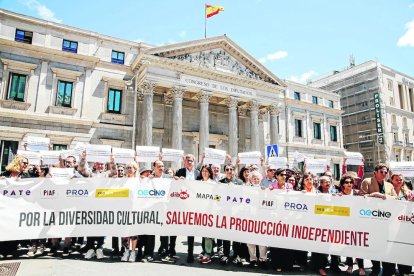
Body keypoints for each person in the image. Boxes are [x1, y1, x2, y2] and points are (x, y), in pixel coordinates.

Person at [359, 164, 397, 276]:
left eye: (386, 172)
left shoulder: (389, 185)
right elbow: (361, 197)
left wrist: (383, 196)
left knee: (385, 244)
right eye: (382, 172)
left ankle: (387, 270)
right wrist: (373, 195)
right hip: (372, 219)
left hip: (386, 219)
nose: (384, 174)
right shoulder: (367, 181)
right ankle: (375, 268)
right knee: (374, 244)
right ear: (375, 172)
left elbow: (395, 198)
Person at [0, 155, 31, 259]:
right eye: (24, 162)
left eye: (27, 163)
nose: (26, 165)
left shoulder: (26, 176)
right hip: (4, 207)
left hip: (17, 207)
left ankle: (10, 250)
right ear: (17, 162)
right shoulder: (6, 174)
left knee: (12, 229)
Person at [337, 175, 365, 275]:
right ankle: (350, 265)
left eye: (351, 182)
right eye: (347, 182)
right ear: (343, 184)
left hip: (358, 223)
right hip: (345, 223)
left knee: (358, 245)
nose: (349, 184)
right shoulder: (340, 194)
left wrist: (365, 198)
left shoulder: (358, 193)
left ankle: (361, 267)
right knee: (347, 245)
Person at [388, 173, 413, 275]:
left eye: (401, 180)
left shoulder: (409, 193)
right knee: (390, 250)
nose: (399, 181)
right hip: (390, 225)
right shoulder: (387, 191)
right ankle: (391, 271)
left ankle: (404, 271)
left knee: (403, 250)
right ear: (392, 180)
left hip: (404, 226)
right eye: (397, 179)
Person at [219, 164, 243, 265]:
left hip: (237, 212)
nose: (229, 171)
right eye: (227, 169)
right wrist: (219, 204)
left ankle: (236, 255)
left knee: (236, 236)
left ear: (234, 171)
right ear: (225, 171)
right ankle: (226, 254)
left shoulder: (239, 182)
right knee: (226, 235)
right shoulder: (220, 183)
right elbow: (217, 196)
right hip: (225, 212)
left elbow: (243, 197)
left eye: (231, 169)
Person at [246, 170, 267, 268]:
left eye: (257, 178)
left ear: (260, 179)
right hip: (249, 218)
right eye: (254, 178)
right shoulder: (246, 189)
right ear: (250, 179)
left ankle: (263, 259)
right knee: (250, 241)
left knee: (262, 241)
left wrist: (265, 192)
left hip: (261, 218)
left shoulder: (263, 189)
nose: (256, 180)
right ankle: (253, 259)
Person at [120, 161, 139, 262]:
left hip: (135, 208)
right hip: (124, 208)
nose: (128, 169)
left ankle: (133, 252)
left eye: (131, 167)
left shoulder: (139, 181)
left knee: (133, 232)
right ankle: (126, 251)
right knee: (124, 232)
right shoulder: (122, 180)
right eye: (127, 167)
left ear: (135, 169)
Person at [197, 165, 215, 264]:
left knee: (208, 234)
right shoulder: (198, 183)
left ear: (209, 173)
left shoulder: (213, 184)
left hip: (210, 211)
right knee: (204, 234)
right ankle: (207, 251)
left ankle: (208, 254)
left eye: (206, 171)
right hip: (201, 211)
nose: (204, 173)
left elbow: (217, 197)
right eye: (203, 171)